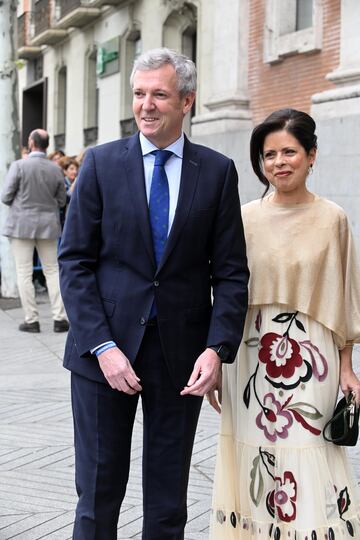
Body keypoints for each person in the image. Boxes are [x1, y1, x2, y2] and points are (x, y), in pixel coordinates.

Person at [58, 47, 249, 539]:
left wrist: (217, 347)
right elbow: (74, 262)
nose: (146, 105)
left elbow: (230, 273)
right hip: (103, 356)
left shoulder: (217, 171)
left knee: (168, 499)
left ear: (187, 101)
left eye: (159, 95)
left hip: (181, 357)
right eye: (139, 94)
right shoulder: (100, 165)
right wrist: (102, 347)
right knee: (97, 494)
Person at [208, 109, 360, 539]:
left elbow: (346, 297)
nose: (279, 162)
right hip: (248, 354)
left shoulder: (333, 219)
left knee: (308, 450)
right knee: (254, 456)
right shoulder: (243, 217)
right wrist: (218, 360)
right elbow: (225, 290)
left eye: (289, 152)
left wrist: (348, 368)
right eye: (268, 154)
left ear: (312, 155)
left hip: (312, 358)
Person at [1, 129, 69, 333]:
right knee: (53, 270)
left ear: (31, 143)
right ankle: (60, 318)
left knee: (24, 272)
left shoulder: (19, 166)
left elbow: (5, 196)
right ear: (47, 145)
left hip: (22, 225)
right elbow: (61, 200)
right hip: (48, 225)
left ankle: (32, 320)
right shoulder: (55, 169)